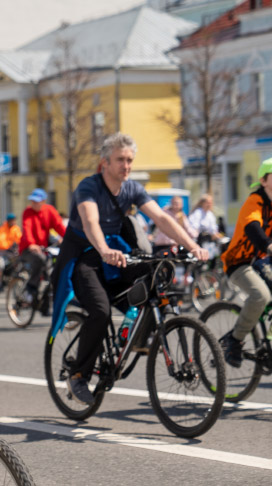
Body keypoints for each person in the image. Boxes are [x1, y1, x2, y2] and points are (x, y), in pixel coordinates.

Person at [50, 133, 208, 405]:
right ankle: (78, 374)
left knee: (154, 280)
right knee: (100, 312)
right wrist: (104, 250)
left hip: (116, 255)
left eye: (130, 160)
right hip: (86, 257)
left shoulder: (132, 189)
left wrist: (192, 246)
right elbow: (90, 222)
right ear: (105, 163)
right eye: (120, 160)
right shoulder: (88, 187)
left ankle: (141, 336)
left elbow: (160, 218)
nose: (126, 166)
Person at [219, 158, 272, 367]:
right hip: (239, 261)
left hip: (261, 261)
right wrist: (268, 246)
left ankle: (267, 341)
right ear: (264, 180)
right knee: (261, 296)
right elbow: (253, 229)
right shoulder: (255, 201)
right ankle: (235, 339)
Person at [18, 188, 66, 308]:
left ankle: (46, 297)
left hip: (44, 246)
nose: (34, 203)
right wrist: (31, 244)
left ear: (43, 201)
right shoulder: (28, 212)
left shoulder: (49, 210)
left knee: (56, 262)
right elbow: (27, 228)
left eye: (37, 201)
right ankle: (31, 288)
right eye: (32, 201)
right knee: (40, 259)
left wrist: (68, 238)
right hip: (28, 248)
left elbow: (59, 226)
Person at [0, 213, 22, 289]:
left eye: (14, 220)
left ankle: (10, 276)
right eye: (12, 220)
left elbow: (19, 238)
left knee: (17, 260)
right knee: (1, 266)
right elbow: (0, 240)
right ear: (8, 221)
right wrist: (9, 246)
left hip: (8, 250)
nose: (14, 222)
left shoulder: (16, 228)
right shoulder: (2, 228)